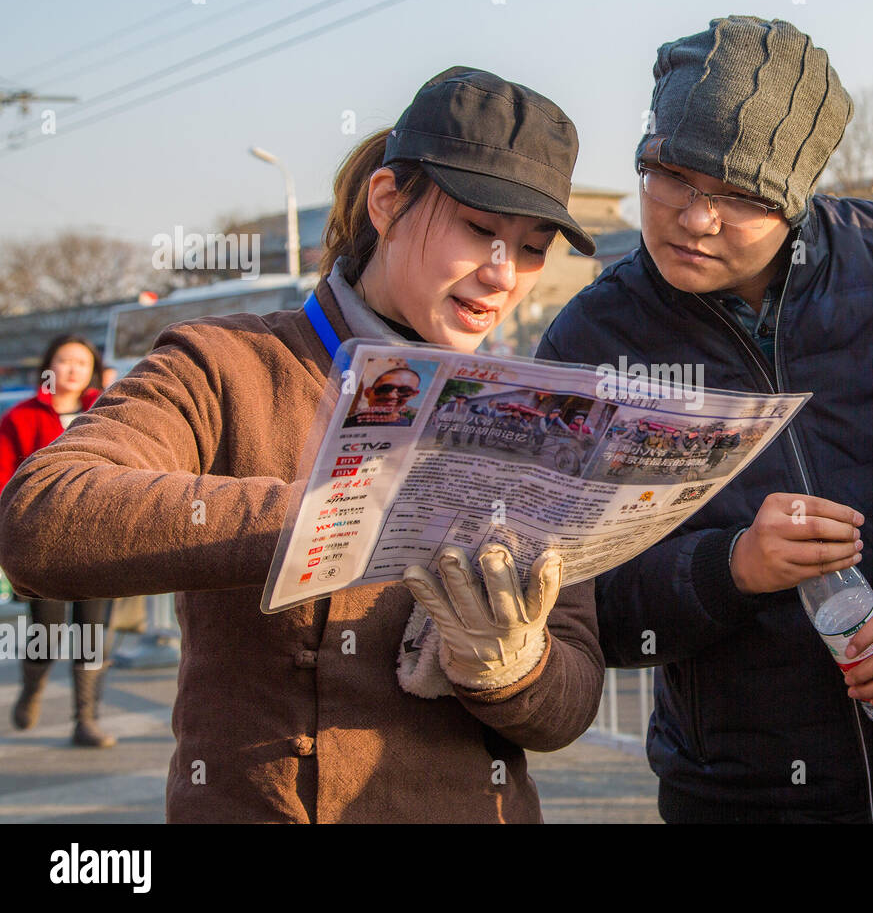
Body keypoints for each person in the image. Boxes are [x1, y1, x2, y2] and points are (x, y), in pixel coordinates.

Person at [0, 67, 604, 823]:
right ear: (387, 202)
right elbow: (43, 519)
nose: (502, 274)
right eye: (479, 230)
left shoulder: (540, 419)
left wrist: (512, 665)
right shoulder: (224, 364)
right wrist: (346, 517)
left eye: (532, 247)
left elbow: (570, 705)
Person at [538, 16, 873, 823]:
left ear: (794, 200)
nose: (694, 218)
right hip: (735, 793)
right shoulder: (590, 342)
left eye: (738, 196)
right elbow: (576, 599)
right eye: (670, 175)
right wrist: (731, 568)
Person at [1, 334, 116, 747]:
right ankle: (32, 687)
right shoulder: (20, 417)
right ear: (49, 366)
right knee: (46, 634)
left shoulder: (109, 413)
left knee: (92, 633)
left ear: (92, 371)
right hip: (42, 545)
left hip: (100, 544)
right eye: (64, 361)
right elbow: (3, 480)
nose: (71, 369)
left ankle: (86, 719)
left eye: (81, 363)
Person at [342, 366, 421, 427]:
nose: (392, 396)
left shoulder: (413, 427)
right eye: (385, 388)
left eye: (404, 390)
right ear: (368, 392)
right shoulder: (346, 424)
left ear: (413, 395)